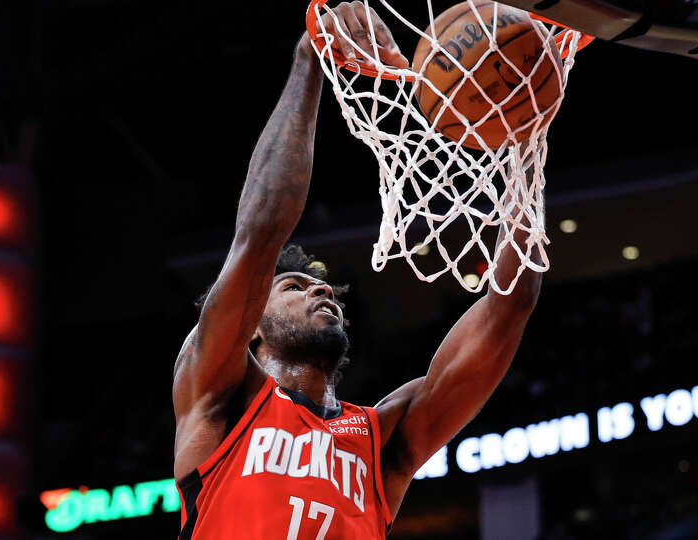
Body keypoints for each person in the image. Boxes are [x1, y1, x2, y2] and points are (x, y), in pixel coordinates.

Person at [171, 2, 541, 538]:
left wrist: (523, 148)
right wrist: (310, 57)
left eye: (324, 288)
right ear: (251, 325)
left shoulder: (380, 439)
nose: (320, 291)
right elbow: (260, 232)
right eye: (295, 285)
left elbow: (511, 303)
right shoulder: (220, 399)